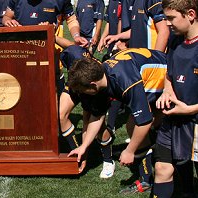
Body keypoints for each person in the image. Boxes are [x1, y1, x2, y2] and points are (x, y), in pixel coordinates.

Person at [67, 48, 167, 191]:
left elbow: (145, 121)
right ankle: (147, 177)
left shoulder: (124, 80)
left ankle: (157, 174)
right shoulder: (101, 76)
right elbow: (97, 115)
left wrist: (130, 150)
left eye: (82, 91)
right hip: (148, 76)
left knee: (138, 126)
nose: (81, 94)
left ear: (92, 85)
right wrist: (84, 146)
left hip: (167, 76)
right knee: (135, 127)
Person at [152, 0, 198, 197]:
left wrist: (190, 109)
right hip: (173, 118)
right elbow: (169, 74)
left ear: (190, 14)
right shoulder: (175, 39)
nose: (167, 23)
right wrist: (166, 91)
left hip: (195, 120)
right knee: (162, 169)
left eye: (171, 18)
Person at [2, 0, 88, 96]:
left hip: (47, 54)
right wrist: (7, 21)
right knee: (22, 91)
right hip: (20, 53)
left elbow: (71, 18)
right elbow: (7, 16)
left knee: (49, 93)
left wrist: (76, 36)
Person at [59, 45, 116, 177]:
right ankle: (76, 152)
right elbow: (69, 45)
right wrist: (54, 36)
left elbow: (86, 123)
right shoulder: (73, 52)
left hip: (90, 90)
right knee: (61, 114)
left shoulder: (97, 87)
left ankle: (108, 160)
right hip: (77, 83)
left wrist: (85, 149)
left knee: (96, 126)